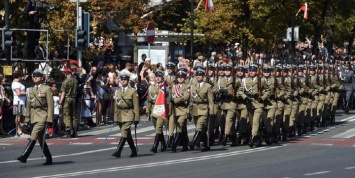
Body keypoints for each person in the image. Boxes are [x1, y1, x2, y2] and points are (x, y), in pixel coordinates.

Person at [17, 69, 53, 165]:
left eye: (37, 75)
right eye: (34, 76)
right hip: (33, 116)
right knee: (41, 139)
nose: (35, 77)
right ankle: (49, 158)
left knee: (33, 135)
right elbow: (29, 106)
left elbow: (50, 105)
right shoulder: (30, 90)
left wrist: (49, 119)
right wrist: (26, 120)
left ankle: (24, 156)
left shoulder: (46, 89)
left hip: (42, 116)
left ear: (42, 78)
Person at [112, 72, 139, 158]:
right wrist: (115, 117)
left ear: (128, 81)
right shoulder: (118, 91)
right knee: (127, 134)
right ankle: (133, 150)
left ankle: (118, 151)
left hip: (129, 114)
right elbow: (116, 105)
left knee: (124, 132)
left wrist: (137, 118)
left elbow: (136, 105)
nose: (123, 81)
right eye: (122, 80)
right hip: (120, 114)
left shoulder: (132, 91)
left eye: (125, 80)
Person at [59, 68, 78, 138]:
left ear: (66, 73)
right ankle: (75, 130)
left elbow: (63, 93)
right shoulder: (75, 81)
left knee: (66, 114)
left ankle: (68, 130)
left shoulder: (65, 81)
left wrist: (60, 102)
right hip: (74, 98)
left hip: (67, 98)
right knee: (74, 115)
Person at [12, 73, 28, 137]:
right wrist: (27, 93)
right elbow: (18, 93)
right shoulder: (15, 84)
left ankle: (23, 129)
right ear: (18, 76)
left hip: (22, 102)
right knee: (18, 116)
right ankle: (18, 130)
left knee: (23, 116)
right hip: (18, 102)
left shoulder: (19, 83)